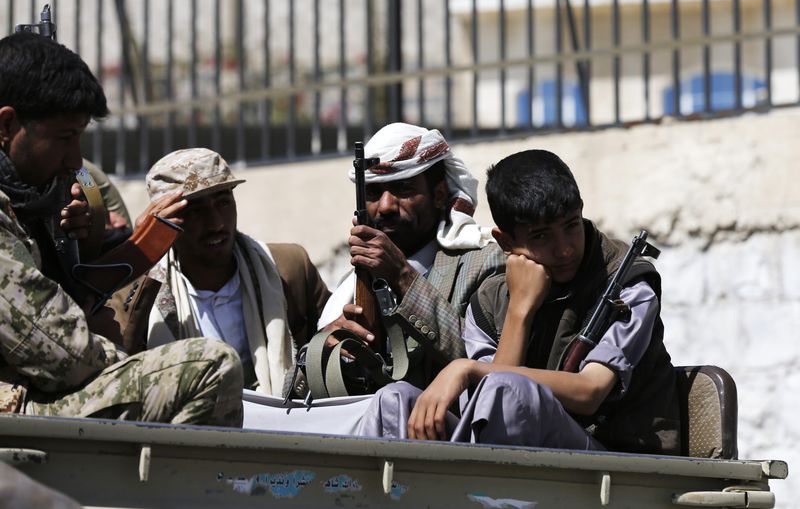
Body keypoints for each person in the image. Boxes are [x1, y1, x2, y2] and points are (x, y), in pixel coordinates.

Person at [358, 149, 680, 455]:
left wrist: (468, 368)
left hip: (617, 458)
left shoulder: (626, 283)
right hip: (535, 450)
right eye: (541, 236)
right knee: (394, 400)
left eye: (571, 226)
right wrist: (520, 309)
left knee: (507, 388)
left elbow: (589, 391)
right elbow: (491, 396)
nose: (565, 249)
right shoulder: (490, 299)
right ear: (506, 242)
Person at [0, 31, 243, 427]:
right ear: (7, 124)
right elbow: (66, 355)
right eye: (65, 137)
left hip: (30, 391)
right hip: (17, 403)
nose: (74, 159)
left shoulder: (30, 197)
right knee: (210, 367)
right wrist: (118, 353)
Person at [308, 122, 506, 394]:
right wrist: (325, 349)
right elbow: (291, 394)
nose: (386, 206)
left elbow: (488, 366)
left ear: (438, 195)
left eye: (402, 188)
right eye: (374, 193)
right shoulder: (350, 286)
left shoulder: (482, 263)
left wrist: (402, 276)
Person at [118, 147, 331, 397]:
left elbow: (332, 342)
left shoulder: (287, 268)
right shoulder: (139, 292)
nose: (216, 223)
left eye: (223, 202)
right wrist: (146, 254)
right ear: (165, 220)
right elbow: (118, 365)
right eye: (195, 210)